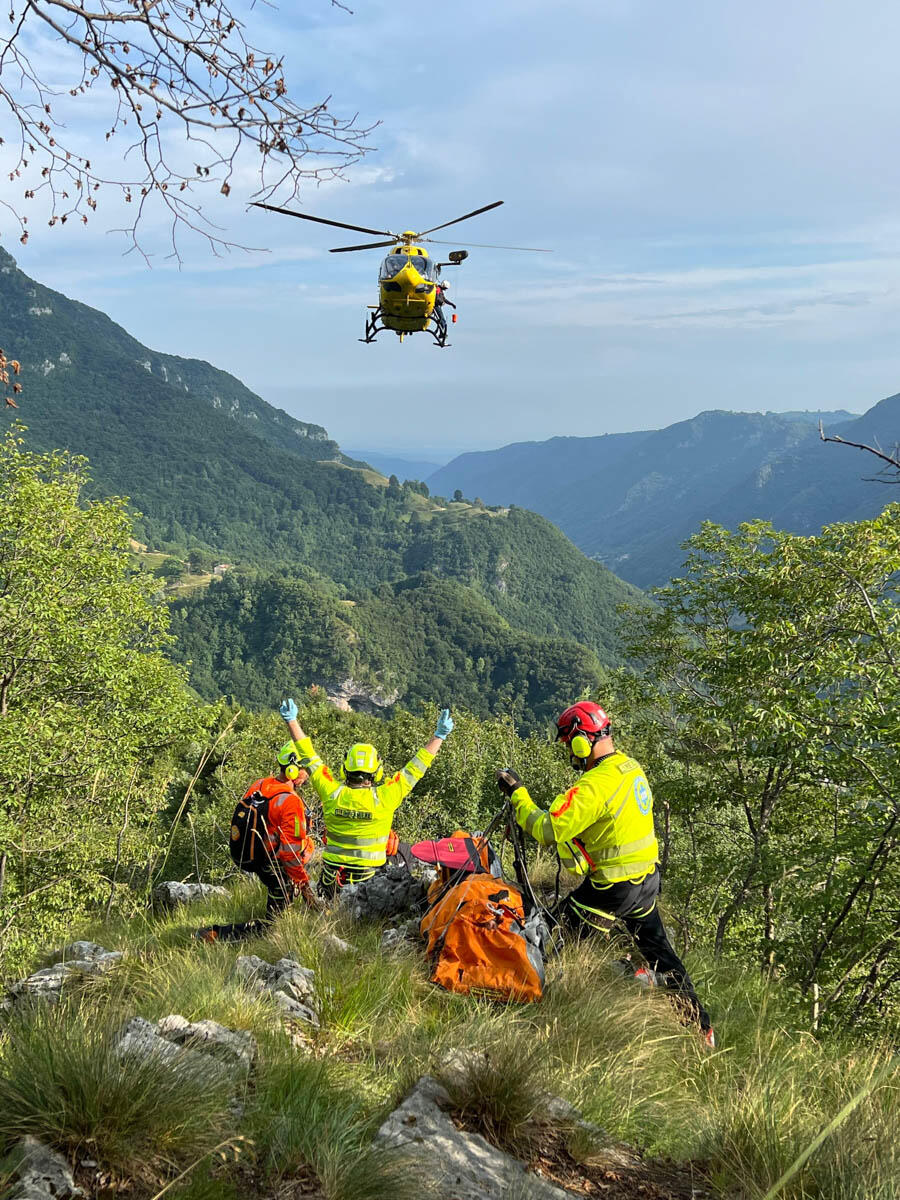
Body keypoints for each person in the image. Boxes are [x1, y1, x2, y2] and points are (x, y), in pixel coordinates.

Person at [497, 700, 714, 1045]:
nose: (570, 752)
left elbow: (548, 829)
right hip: (647, 882)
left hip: (613, 889)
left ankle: (526, 1006)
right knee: (661, 953)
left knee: (553, 939)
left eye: (571, 744)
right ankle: (701, 1027)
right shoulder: (631, 768)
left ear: (583, 740)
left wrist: (519, 796)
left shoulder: (592, 786)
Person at [279, 698, 454, 896]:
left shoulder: (331, 792)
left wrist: (291, 721)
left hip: (331, 883)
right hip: (371, 884)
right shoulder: (385, 796)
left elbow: (309, 756)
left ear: (345, 770)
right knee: (404, 852)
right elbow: (415, 768)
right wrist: (439, 735)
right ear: (377, 773)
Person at [196, 742, 318, 942]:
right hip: (273, 864)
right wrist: (305, 888)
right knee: (274, 926)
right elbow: (291, 855)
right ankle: (219, 935)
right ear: (293, 769)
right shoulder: (290, 802)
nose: (308, 775)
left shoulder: (260, 784)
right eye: (306, 769)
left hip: (253, 857)